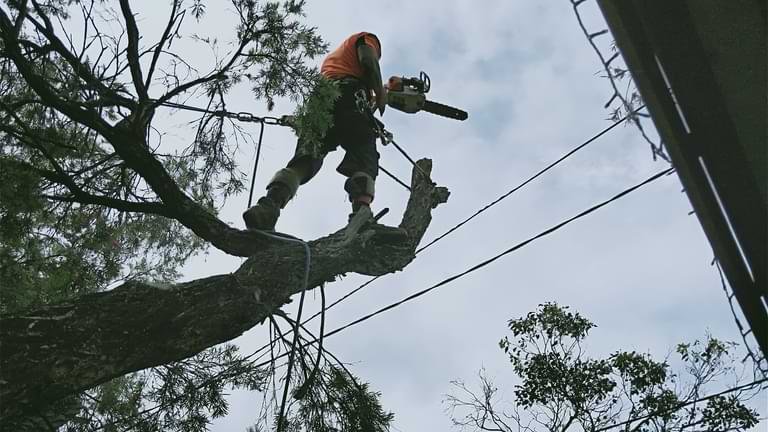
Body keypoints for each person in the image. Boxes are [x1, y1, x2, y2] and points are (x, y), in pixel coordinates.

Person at [243, 32, 387, 231]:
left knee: (305, 159)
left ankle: (268, 208)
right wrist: (380, 93)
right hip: (349, 96)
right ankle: (362, 218)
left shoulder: (334, 63)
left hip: (320, 103)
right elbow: (369, 61)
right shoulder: (366, 39)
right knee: (364, 157)